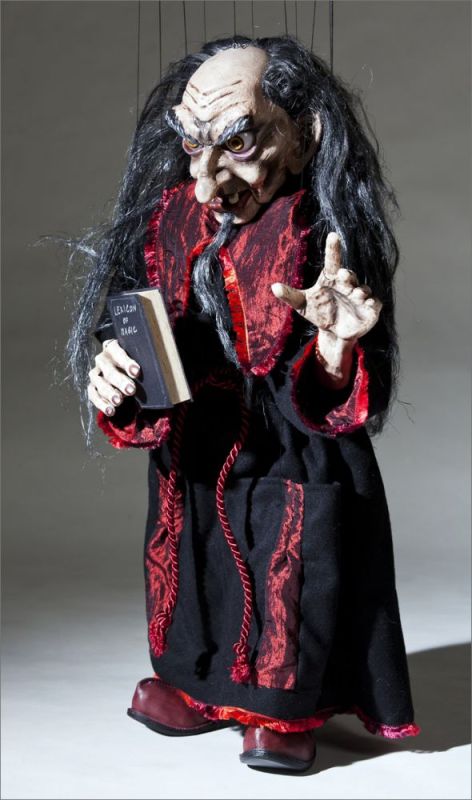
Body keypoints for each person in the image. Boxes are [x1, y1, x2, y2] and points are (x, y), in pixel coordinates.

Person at [69, 36, 420, 771]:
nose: (206, 183)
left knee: (288, 571)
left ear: (302, 138)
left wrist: (335, 346)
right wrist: (115, 370)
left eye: (236, 144)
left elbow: (347, 386)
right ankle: (197, 686)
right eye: (192, 145)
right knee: (194, 567)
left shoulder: (320, 232)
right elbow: (130, 319)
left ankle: (280, 707)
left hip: (292, 444)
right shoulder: (169, 218)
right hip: (196, 440)